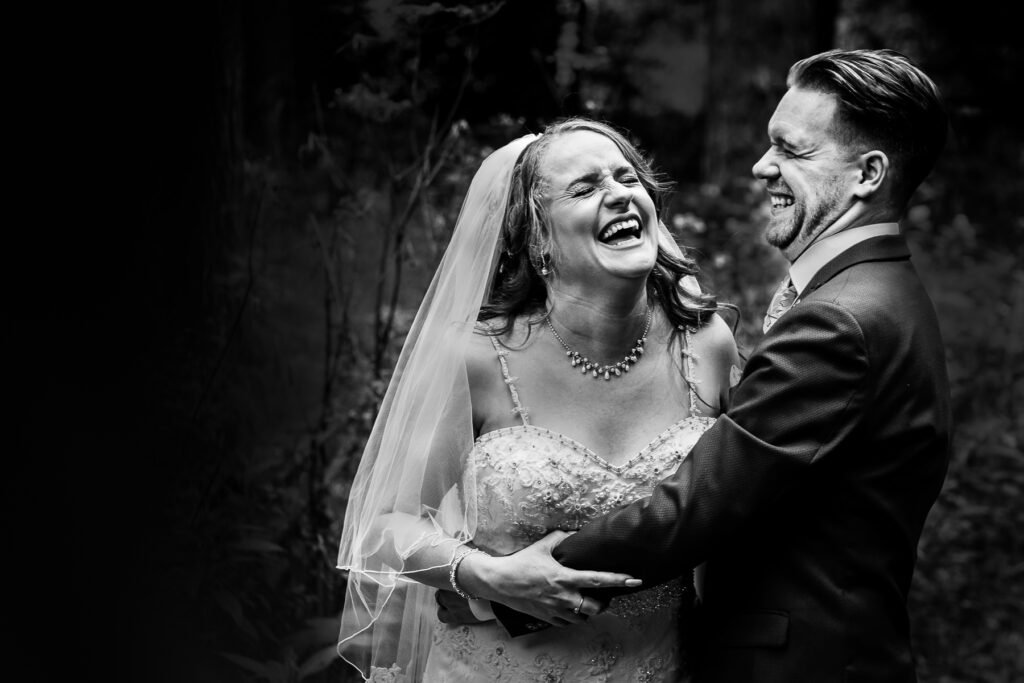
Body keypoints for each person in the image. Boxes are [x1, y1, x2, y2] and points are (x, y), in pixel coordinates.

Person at [445, 48, 952, 682]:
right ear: (538, 235)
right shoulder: (878, 292)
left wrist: (502, 588)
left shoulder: (834, 321)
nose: (761, 166)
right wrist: (475, 570)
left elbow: (701, 505)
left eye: (792, 151)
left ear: (868, 173)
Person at [336, 117, 740, 682]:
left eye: (628, 178)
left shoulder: (707, 346)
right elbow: (381, 526)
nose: (621, 193)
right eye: (585, 187)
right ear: (538, 238)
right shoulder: (477, 358)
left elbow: (739, 518)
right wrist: (485, 580)